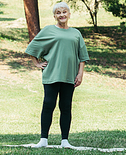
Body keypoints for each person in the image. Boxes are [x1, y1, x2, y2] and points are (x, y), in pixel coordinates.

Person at [25, 2, 90, 148]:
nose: (62, 15)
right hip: (51, 74)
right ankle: (43, 140)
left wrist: (80, 74)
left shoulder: (76, 33)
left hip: (69, 75)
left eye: (64, 12)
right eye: (58, 13)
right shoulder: (48, 30)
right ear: (54, 16)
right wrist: (36, 63)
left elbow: (82, 57)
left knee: (66, 106)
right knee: (48, 104)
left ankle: (65, 141)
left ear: (69, 14)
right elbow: (32, 47)